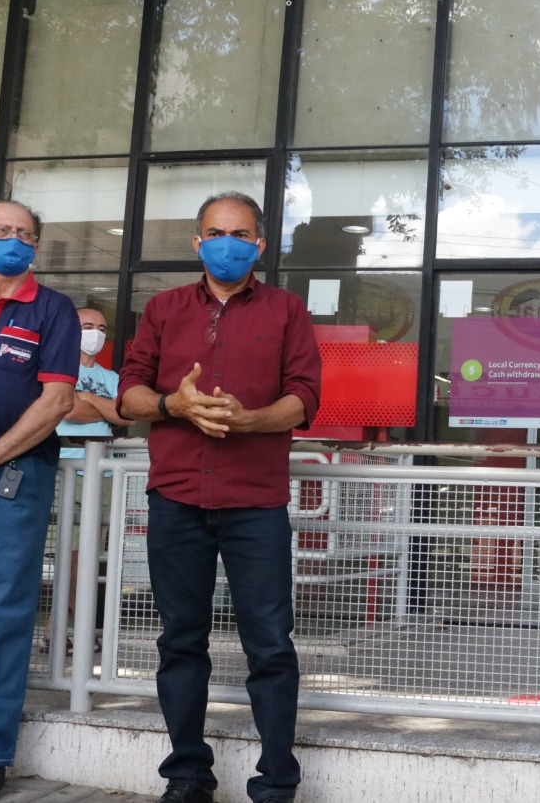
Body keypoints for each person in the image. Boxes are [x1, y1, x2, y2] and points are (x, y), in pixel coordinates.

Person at [117, 192, 321, 803]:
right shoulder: (163, 308)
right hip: (176, 496)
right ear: (196, 241)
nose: (226, 243)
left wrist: (250, 419)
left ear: (260, 245)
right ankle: (186, 774)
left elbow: (305, 397)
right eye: (214, 231)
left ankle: (277, 783)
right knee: (180, 640)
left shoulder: (287, 310)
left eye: (239, 233)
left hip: (255, 502)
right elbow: (129, 393)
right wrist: (173, 405)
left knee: (270, 643)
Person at [0, 199, 79, 803]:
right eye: (1, 231)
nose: (14, 240)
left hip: (9, 480)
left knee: (0, 619)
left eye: (25, 234)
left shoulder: (53, 311)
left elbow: (56, 401)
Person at [56, 307, 134, 650]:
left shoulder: (111, 376)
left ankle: (69, 631)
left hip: (101, 473)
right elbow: (67, 410)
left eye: (101, 327)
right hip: (66, 469)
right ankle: (64, 629)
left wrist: (86, 397)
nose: (96, 333)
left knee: (88, 557)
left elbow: (125, 414)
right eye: (88, 326)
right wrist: (100, 406)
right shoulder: (57, 368)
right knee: (68, 554)